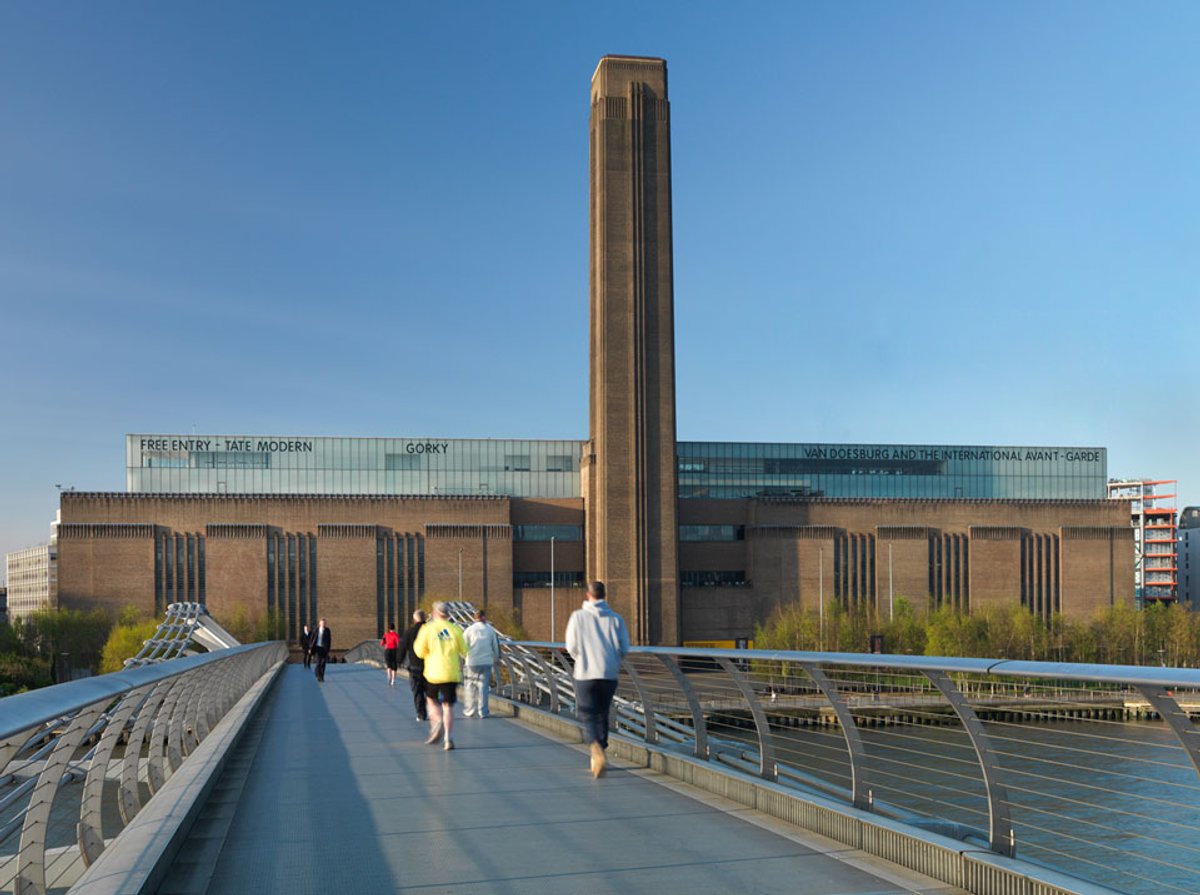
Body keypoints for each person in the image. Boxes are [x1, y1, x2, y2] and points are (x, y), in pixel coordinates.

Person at [565, 581, 630, 778]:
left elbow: (571, 646)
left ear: (588, 595)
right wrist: (612, 660)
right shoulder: (616, 619)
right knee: (603, 713)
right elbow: (624, 647)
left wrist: (582, 659)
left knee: (588, 713)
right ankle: (600, 750)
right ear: (604, 596)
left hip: (585, 673)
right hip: (609, 673)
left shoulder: (578, 617)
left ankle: (595, 747)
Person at [413, 601, 467, 751]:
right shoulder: (455, 629)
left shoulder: (427, 629)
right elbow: (464, 650)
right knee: (448, 706)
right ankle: (448, 739)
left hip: (433, 673)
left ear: (434, 613)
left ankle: (436, 722)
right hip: (451, 672)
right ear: (448, 614)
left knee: (431, 700)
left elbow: (419, 651)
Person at [462, 609, 501, 718]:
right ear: (484, 617)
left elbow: (463, 647)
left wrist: (464, 658)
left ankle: (469, 711)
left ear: (475, 618)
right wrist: (496, 659)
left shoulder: (468, 630)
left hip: (472, 662)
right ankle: (483, 712)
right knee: (483, 687)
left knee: (470, 686)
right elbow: (496, 647)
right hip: (486, 662)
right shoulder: (491, 630)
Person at [400, 610, 428, 721]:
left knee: (417, 691)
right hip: (430, 666)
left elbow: (402, 648)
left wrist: (398, 661)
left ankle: (421, 713)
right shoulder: (431, 631)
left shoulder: (410, 632)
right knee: (429, 690)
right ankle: (434, 710)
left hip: (415, 666)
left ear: (414, 619)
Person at [311, 617, 332, 682]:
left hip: (324, 649)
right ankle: (318, 674)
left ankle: (322, 677)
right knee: (318, 663)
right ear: (320, 623)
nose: (323, 624)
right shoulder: (316, 630)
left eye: (325, 623)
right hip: (317, 648)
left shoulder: (327, 630)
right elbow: (312, 639)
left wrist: (328, 649)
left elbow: (329, 640)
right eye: (322, 623)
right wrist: (310, 648)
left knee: (323, 663)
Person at [381, 622, 401, 687]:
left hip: (387, 651)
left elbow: (382, 643)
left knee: (388, 665)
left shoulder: (386, 635)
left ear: (389, 628)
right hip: (394, 651)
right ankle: (393, 680)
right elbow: (398, 643)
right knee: (394, 666)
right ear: (394, 628)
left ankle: (389, 678)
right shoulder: (396, 635)